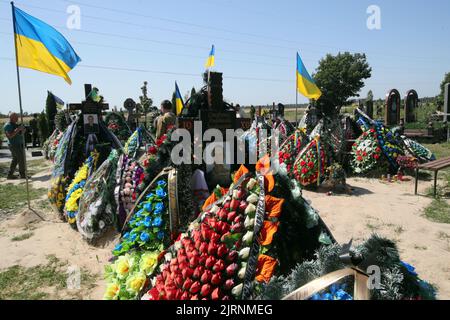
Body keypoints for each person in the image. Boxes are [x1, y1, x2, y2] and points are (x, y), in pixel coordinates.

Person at [3, 113, 27, 180]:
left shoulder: (15, 124)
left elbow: (19, 134)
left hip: (18, 144)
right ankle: (22, 175)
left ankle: (10, 175)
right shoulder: (7, 126)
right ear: (11, 118)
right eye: (16, 117)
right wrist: (18, 129)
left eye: (17, 117)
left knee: (15, 160)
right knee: (21, 158)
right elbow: (10, 136)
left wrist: (23, 130)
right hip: (14, 145)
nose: (17, 119)